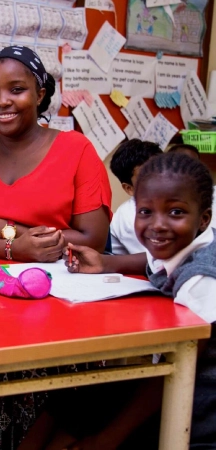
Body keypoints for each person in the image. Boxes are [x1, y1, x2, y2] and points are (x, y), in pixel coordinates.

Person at [0, 45, 112, 449]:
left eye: (16, 89)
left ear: (40, 93)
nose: (2, 101)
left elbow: (91, 239)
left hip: (53, 302)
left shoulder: (77, 151)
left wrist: (0, 229)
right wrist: (16, 245)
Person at [49, 152, 216, 449]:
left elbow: (180, 364)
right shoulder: (186, 246)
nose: (158, 225)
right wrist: (104, 263)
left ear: (204, 218)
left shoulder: (201, 278)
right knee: (71, 402)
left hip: (200, 403)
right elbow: (150, 262)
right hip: (178, 379)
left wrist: (107, 439)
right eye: (145, 212)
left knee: (83, 408)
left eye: (176, 212)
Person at [109, 139, 162, 255]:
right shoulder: (130, 217)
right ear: (129, 188)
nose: (159, 181)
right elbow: (159, 261)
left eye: (162, 171)